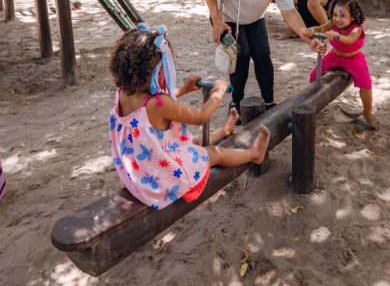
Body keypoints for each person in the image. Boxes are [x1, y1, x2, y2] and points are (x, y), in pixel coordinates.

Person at [108, 24, 272, 210]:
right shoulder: (158, 103)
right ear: (156, 72)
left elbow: (158, 107)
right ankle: (255, 154)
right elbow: (199, 116)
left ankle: (223, 132)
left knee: (188, 142)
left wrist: (185, 89)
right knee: (214, 153)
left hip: (140, 171)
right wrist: (218, 92)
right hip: (162, 179)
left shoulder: (124, 93)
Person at [308, 0, 377, 129]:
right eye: (335, 14)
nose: (338, 19)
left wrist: (338, 36)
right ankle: (313, 104)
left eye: (343, 16)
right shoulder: (332, 23)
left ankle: (367, 113)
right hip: (334, 56)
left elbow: (350, 40)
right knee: (313, 75)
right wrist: (310, 30)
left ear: (352, 17)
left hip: (354, 59)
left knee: (366, 85)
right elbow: (320, 28)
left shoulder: (357, 28)